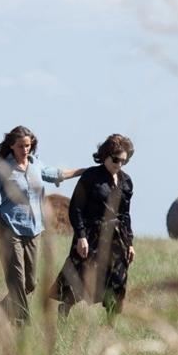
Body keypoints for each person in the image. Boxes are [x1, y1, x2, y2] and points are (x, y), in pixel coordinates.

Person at [0, 125, 85, 326]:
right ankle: (23, 324)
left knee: (30, 283)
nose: (25, 150)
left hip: (34, 229)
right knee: (17, 281)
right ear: (12, 146)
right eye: (21, 146)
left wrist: (84, 171)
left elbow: (57, 174)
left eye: (28, 146)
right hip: (8, 228)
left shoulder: (36, 166)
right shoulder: (2, 170)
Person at [50, 133, 136, 318]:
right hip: (91, 236)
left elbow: (125, 214)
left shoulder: (126, 181)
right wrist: (81, 236)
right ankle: (65, 308)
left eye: (124, 161)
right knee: (83, 277)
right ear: (105, 155)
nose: (119, 164)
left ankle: (111, 325)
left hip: (117, 238)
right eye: (115, 159)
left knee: (117, 280)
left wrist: (129, 243)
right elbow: (75, 209)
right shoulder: (90, 177)